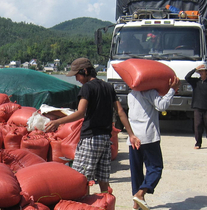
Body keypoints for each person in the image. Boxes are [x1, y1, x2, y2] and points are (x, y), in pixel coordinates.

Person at [44, 57, 139, 194]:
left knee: (80, 176)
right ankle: (105, 208)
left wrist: (58, 121)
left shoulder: (87, 88)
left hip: (91, 139)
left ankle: (84, 207)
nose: (77, 79)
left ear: (86, 71)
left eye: (77, 75)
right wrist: (131, 134)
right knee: (103, 178)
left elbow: (81, 113)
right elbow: (120, 111)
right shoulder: (108, 87)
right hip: (106, 140)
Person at [127, 76, 179, 210]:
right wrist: (172, 90)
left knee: (136, 169)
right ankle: (140, 193)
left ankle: (136, 202)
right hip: (148, 136)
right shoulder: (148, 92)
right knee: (155, 167)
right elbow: (162, 106)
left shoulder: (131, 94)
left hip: (133, 136)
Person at [185, 64, 207, 149]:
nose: (200, 73)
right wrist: (195, 68)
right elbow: (187, 77)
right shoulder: (196, 82)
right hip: (197, 106)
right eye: (199, 71)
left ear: (206, 72)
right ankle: (198, 143)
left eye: (202, 71)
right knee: (198, 124)